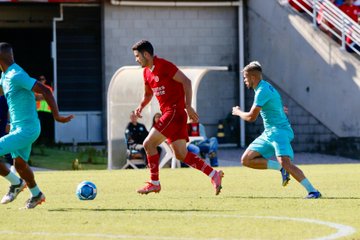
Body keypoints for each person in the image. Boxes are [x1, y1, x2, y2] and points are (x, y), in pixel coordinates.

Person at [132, 40, 223, 195]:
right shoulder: (146, 73)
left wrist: (188, 105)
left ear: (146, 54)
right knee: (180, 154)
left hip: (173, 112)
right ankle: (214, 174)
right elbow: (148, 94)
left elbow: (186, 81)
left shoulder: (164, 65)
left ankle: (154, 183)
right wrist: (141, 106)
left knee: (148, 143)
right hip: (173, 115)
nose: (136, 59)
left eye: (137, 56)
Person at [232, 61, 321, 199]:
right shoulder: (265, 87)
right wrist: (280, 109)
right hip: (269, 133)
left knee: (285, 162)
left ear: (253, 78)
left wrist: (237, 112)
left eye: (245, 77)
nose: (244, 80)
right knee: (246, 160)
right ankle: (281, 169)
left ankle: (313, 191)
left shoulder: (262, 91)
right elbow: (275, 103)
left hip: (279, 131)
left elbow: (251, 117)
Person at [0, 42, 74, 209]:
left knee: (16, 166)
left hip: (27, 129)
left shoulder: (15, 74)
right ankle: (36, 194)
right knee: (19, 164)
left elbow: (45, 90)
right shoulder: (5, 76)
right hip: (18, 128)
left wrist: (57, 116)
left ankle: (16, 183)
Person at [35, 75, 54, 146]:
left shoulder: (48, 88)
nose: (41, 81)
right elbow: (36, 97)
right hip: (38, 111)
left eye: (42, 79)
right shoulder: (35, 88)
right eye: (40, 79)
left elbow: (47, 96)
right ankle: (39, 142)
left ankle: (47, 142)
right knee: (39, 127)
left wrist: (40, 96)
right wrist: (43, 96)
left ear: (45, 80)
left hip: (47, 111)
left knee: (47, 127)